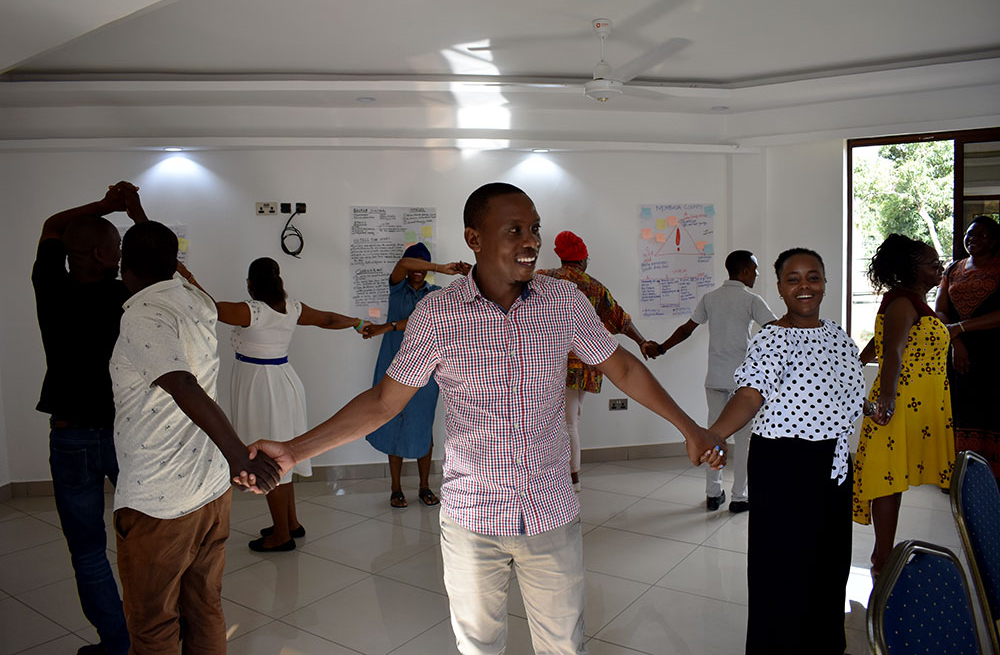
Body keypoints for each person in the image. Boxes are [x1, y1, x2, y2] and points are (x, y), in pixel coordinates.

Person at [240, 182, 725, 654]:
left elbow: (623, 368)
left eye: (534, 228)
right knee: (479, 646)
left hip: (550, 512)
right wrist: (293, 452)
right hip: (474, 517)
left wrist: (690, 428)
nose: (531, 241)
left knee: (564, 645)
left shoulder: (564, 302)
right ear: (474, 238)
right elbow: (384, 401)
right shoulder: (438, 315)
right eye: (514, 230)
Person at [110, 221, 280, 653]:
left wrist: (240, 455)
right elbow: (158, 255)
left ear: (123, 265)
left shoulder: (144, 316)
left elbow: (182, 383)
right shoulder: (194, 298)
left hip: (161, 499)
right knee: (204, 607)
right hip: (209, 490)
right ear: (175, 263)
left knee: (153, 625)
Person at [707, 248, 867, 655]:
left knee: (830, 560)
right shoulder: (771, 338)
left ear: (825, 283)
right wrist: (716, 434)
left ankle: (824, 643)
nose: (804, 286)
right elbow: (750, 394)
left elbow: (840, 392)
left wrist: (870, 408)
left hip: (833, 465)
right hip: (783, 465)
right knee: (783, 565)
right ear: (779, 288)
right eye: (793, 279)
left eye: (813, 277)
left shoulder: (838, 336)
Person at [178, 257, 370, 551]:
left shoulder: (252, 311)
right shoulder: (292, 308)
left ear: (250, 284)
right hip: (284, 382)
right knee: (283, 454)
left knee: (268, 459)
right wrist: (357, 323)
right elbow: (329, 320)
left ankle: (281, 535)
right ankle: (290, 523)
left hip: (261, 387)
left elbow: (209, 307)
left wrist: (188, 276)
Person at [31, 181, 146, 655]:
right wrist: (134, 214)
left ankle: (117, 644)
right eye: (115, 247)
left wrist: (104, 206)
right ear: (100, 254)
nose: (120, 255)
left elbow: (51, 226)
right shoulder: (128, 297)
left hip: (70, 435)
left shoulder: (49, 287)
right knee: (146, 542)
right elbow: (159, 265)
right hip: (125, 434)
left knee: (87, 550)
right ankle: (154, 634)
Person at [853, 234, 955, 577]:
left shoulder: (913, 302)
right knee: (887, 480)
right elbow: (893, 351)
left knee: (893, 479)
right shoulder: (901, 302)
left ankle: (883, 556)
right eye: (933, 264)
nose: (939, 268)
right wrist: (886, 398)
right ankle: (882, 559)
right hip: (898, 406)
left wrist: (856, 360)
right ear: (912, 269)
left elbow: (880, 341)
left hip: (914, 406)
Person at [647, 250, 775, 512]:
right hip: (743, 383)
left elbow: (686, 329)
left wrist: (661, 348)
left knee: (713, 436)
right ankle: (740, 497)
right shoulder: (751, 300)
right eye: (755, 269)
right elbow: (775, 330)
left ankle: (713, 494)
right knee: (744, 441)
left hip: (715, 378)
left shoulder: (710, 298)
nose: (757, 274)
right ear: (745, 271)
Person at [537, 230, 658, 491]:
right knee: (572, 419)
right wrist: (642, 342)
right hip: (586, 363)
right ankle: (572, 477)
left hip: (552, 362)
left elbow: (510, 286)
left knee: (563, 421)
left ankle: (570, 477)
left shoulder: (543, 279)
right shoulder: (594, 286)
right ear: (582, 259)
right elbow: (620, 320)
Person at [361, 244, 471, 508]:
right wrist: (438, 267)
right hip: (392, 367)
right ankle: (396, 489)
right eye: (416, 264)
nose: (418, 270)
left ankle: (424, 486)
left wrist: (468, 273)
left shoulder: (437, 295)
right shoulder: (397, 288)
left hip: (427, 371)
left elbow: (475, 291)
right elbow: (402, 265)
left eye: (423, 265)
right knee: (391, 422)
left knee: (422, 425)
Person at [935, 216, 1000, 479]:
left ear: (994, 241)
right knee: (960, 408)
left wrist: (961, 328)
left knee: (991, 408)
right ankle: (959, 476)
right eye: (970, 234)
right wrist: (956, 341)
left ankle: (991, 478)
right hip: (958, 354)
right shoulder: (953, 269)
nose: (973, 239)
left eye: (981, 235)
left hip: (993, 353)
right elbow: (940, 310)